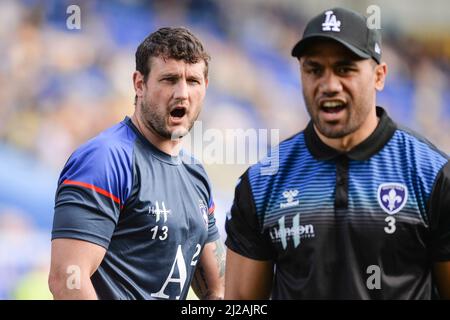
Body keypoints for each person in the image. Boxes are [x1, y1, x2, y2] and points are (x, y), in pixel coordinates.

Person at [224, 7, 450, 299]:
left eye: (345, 69)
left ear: (379, 76)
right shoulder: (263, 181)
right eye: (314, 69)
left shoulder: (432, 175)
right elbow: (241, 303)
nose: (329, 85)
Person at [48, 27, 225, 300]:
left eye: (193, 81)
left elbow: (217, 289)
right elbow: (67, 278)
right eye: (169, 79)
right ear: (139, 84)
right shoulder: (105, 159)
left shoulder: (196, 175)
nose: (182, 94)